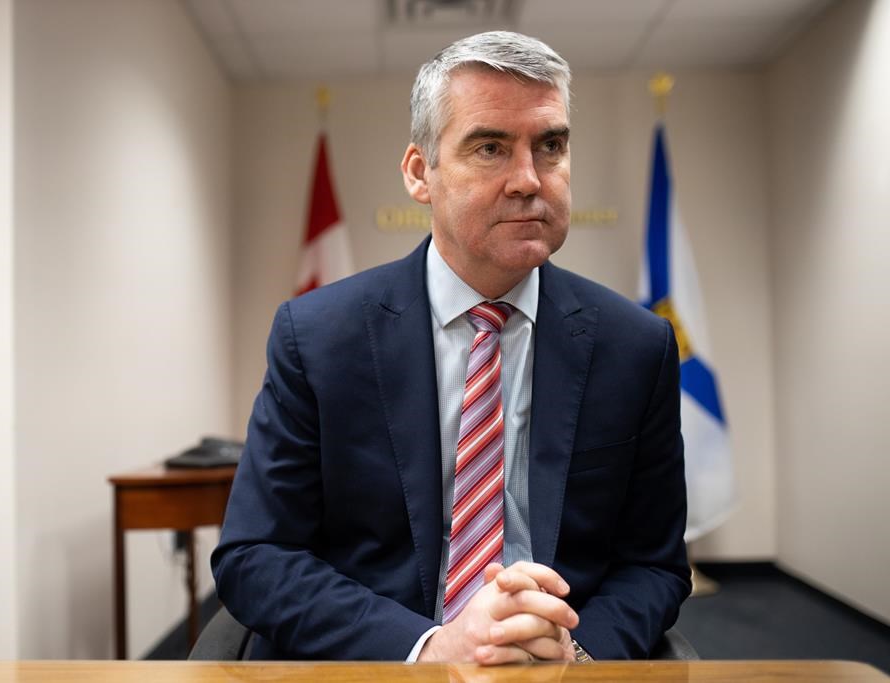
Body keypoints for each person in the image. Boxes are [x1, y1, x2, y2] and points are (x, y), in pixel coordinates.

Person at [211, 30, 690, 664]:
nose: (529, 179)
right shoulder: (319, 336)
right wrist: (429, 647)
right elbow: (256, 555)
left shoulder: (637, 345)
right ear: (420, 173)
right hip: (383, 667)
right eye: (490, 147)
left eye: (550, 146)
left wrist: (578, 656)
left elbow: (654, 565)